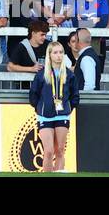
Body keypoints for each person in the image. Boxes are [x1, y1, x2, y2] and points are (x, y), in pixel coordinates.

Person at [29, 41, 78, 172]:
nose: (58, 56)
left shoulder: (70, 74)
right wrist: (40, 108)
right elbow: (33, 95)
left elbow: (75, 96)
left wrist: (67, 109)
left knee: (60, 150)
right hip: (45, 116)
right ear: (49, 55)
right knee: (49, 151)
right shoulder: (41, 75)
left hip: (62, 115)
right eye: (55, 52)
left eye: (61, 52)